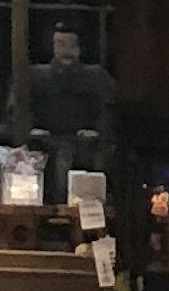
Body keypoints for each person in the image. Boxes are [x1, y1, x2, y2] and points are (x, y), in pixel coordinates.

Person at [25, 19, 116, 205]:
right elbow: (19, 108)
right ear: (52, 47)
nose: (66, 50)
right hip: (44, 141)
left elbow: (109, 110)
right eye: (60, 44)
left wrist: (98, 131)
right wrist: (31, 128)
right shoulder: (36, 76)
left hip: (86, 143)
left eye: (72, 45)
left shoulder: (97, 77)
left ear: (79, 48)